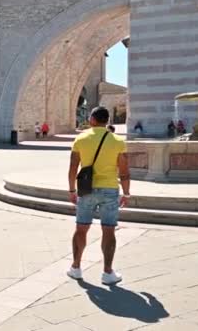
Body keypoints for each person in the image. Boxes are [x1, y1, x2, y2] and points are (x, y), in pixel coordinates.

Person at [67, 106, 130, 285]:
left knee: (81, 228)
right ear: (107, 120)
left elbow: (73, 168)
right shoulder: (118, 141)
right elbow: (124, 171)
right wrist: (126, 193)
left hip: (86, 189)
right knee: (108, 230)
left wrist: (72, 190)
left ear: (92, 119)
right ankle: (107, 273)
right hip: (110, 189)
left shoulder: (81, 138)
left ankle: (76, 268)